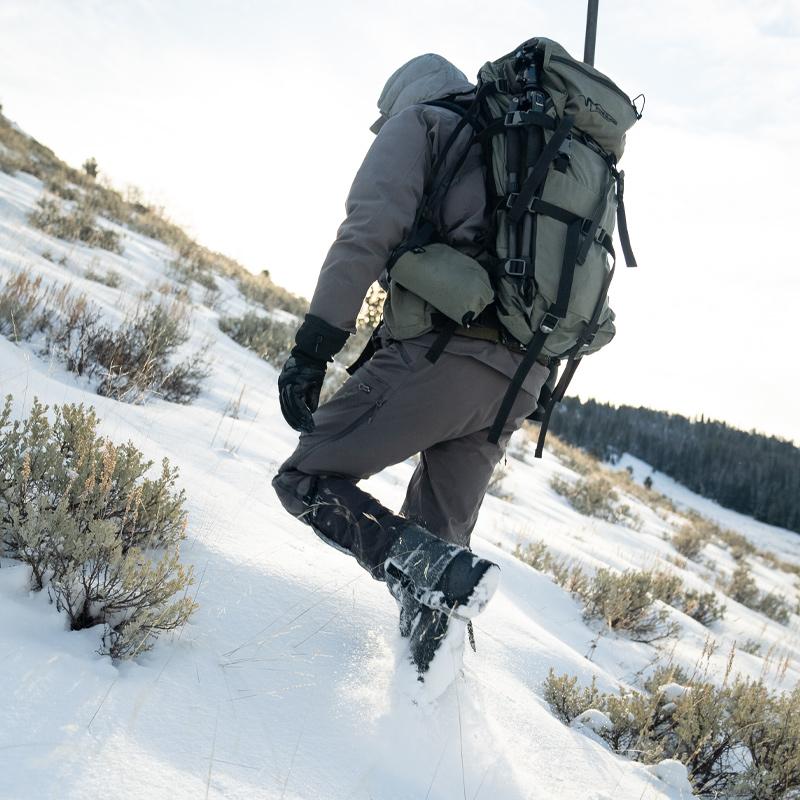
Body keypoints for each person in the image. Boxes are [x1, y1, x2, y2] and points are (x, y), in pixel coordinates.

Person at [272, 54, 553, 677]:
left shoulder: (423, 126)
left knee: (305, 477)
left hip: (444, 358)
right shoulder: (523, 153)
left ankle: (433, 591)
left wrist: (313, 350)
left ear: (400, 100)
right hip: (520, 381)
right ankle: (434, 697)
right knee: (442, 548)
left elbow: (364, 236)